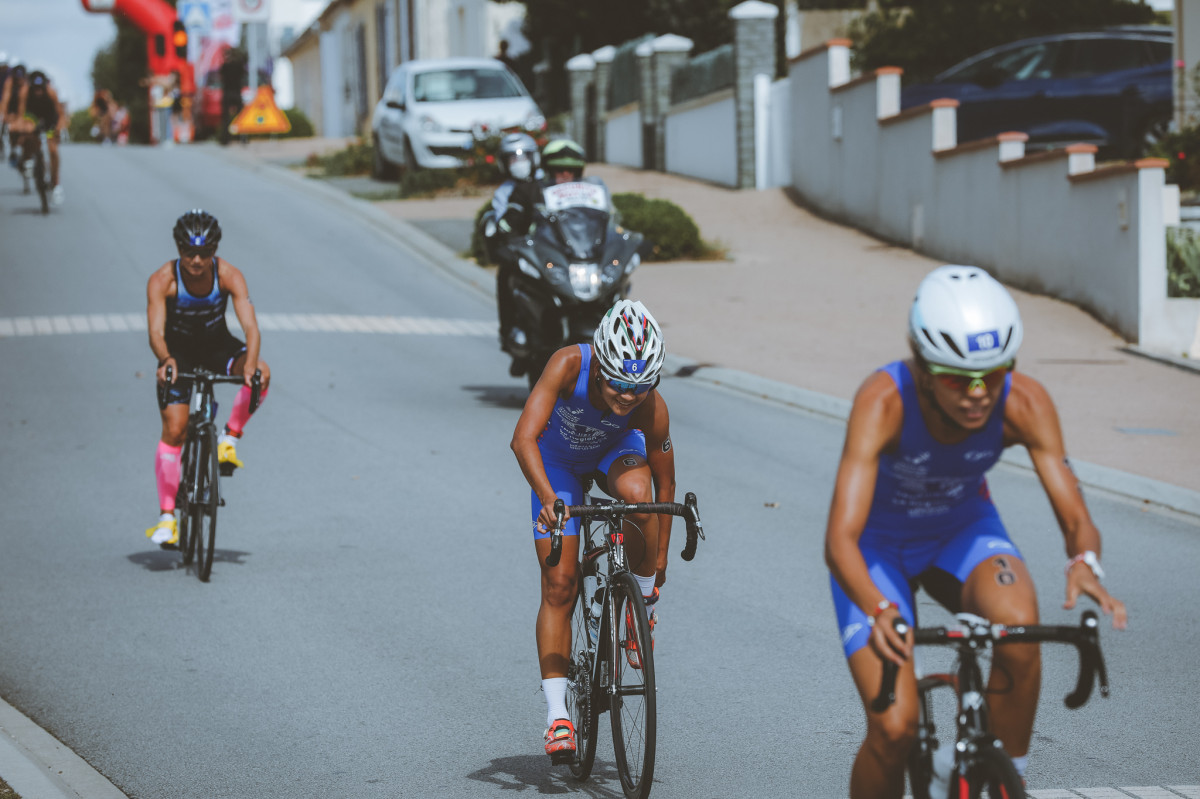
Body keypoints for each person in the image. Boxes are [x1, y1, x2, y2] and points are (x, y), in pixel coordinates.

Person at [823, 265, 1127, 798]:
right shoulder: (883, 402)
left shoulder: (1025, 402)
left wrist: (1084, 560)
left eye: (994, 373)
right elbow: (839, 539)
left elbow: (1077, 517)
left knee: (1019, 626)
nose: (978, 394)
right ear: (923, 369)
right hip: (876, 547)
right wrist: (878, 607)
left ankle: (1003, 778)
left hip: (961, 530)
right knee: (894, 728)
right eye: (957, 379)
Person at [511, 299, 675, 762]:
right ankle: (558, 716)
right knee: (560, 585)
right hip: (557, 464)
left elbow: (666, 487)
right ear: (600, 365)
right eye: (619, 383)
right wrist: (548, 498)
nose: (627, 396)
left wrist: (657, 567)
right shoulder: (568, 365)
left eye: (639, 387)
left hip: (613, 452)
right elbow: (523, 438)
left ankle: (637, 610)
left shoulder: (650, 406)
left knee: (640, 496)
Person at [144, 210, 271, 547]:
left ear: (215, 249)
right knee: (175, 431)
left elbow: (251, 327)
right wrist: (166, 359)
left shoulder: (229, 275)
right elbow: (155, 332)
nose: (197, 260)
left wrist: (250, 364)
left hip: (217, 347)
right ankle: (167, 518)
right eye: (189, 252)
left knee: (261, 373)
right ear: (179, 249)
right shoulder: (163, 280)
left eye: (205, 252)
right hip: (178, 353)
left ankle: (228, 440)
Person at [487, 132, 542, 357]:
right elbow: (503, 224)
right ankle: (509, 331)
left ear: (534, 158)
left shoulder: (547, 181)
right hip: (524, 250)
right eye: (512, 159)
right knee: (505, 275)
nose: (518, 163)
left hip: (551, 246)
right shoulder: (503, 192)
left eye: (523, 157)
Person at [10, 70, 66, 205]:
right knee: (28, 135)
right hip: (33, 119)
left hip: (49, 121)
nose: (38, 92)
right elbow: (21, 114)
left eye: (41, 88)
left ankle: (55, 183)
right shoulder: (25, 92)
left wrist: (59, 129)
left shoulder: (51, 92)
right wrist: (21, 128)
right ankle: (28, 159)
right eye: (35, 88)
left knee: (53, 150)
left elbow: (60, 115)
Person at [1, 63, 27, 168]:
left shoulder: (26, 85)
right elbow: (5, 99)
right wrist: (4, 115)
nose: (19, 80)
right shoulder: (10, 82)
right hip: (12, 109)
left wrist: (20, 119)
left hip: (24, 110)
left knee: (21, 128)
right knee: (9, 127)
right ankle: (10, 149)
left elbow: (23, 104)